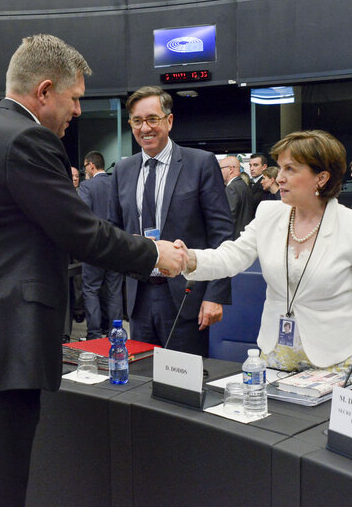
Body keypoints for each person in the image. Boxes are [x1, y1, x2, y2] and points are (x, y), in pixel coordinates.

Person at [0, 35, 186, 507]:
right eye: (76, 98)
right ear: (45, 91)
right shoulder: (26, 139)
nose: (79, 111)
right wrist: (154, 253)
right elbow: (83, 233)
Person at [177, 130, 352, 386]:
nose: (281, 177)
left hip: (335, 360)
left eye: (290, 169)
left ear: (321, 178)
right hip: (275, 354)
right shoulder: (269, 213)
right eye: (280, 168)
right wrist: (188, 260)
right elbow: (232, 256)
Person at [109, 86, 233, 357]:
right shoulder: (123, 170)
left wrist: (215, 295)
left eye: (152, 119)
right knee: (142, 384)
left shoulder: (200, 163)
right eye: (137, 121)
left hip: (187, 296)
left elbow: (222, 234)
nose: (145, 128)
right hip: (139, 297)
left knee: (183, 386)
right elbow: (114, 233)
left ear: (169, 120)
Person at [78, 150, 123, 339]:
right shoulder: (117, 184)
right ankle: (115, 332)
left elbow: (82, 215)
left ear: (90, 165)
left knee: (91, 290)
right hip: (117, 245)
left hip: (95, 247)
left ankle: (94, 334)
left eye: (85, 166)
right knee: (114, 291)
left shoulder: (87, 186)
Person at [219, 156, 254, 239]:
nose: (218, 172)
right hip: (244, 236)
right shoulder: (243, 185)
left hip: (235, 238)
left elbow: (230, 217)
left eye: (220, 168)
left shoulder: (232, 188)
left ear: (231, 169)